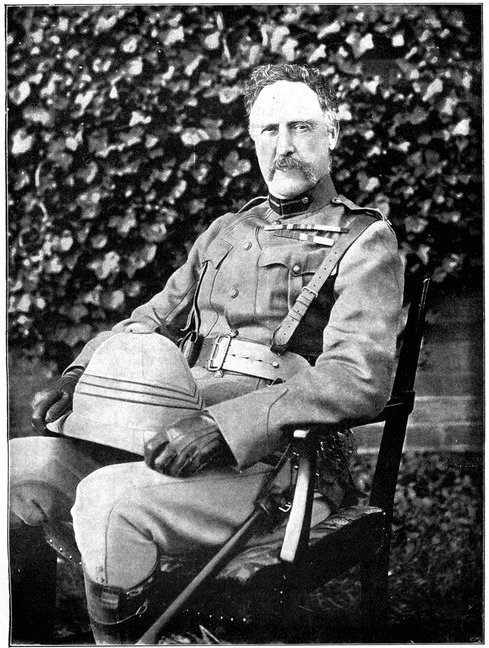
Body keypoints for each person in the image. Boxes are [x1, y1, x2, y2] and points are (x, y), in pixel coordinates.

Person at [9, 63, 404, 644]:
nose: (284, 146)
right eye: (269, 130)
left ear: (332, 133)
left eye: (301, 127)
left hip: (277, 467)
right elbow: (150, 318)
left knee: (108, 501)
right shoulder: (225, 231)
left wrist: (225, 427)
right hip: (167, 435)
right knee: (17, 466)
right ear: (253, 140)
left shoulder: (363, 240)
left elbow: (358, 378)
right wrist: (80, 373)